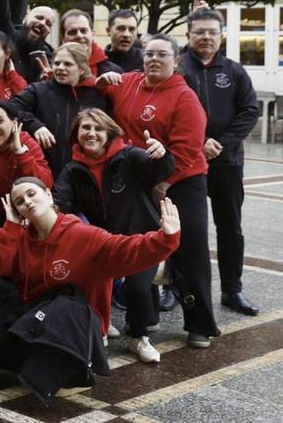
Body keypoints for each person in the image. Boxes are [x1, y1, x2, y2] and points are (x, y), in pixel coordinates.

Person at [0, 178, 181, 403]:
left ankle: (74, 369)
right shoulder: (23, 237)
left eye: (31, 194)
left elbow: (125, 248)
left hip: (79, 319)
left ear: (48, 194)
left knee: (63, 303)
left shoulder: (83, 234)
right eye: (19, 201)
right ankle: (40, 361)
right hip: (38, 314)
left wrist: (165, 239)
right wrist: (11, 227)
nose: (27, 202)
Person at [96, 34, 219, 347]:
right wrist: (100, 80)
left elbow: (189, 148)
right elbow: (94, 84)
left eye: (162, 55)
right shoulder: (129, 82)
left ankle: (200, 323)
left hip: (182, 180)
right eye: (149, 54)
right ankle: (144, 316)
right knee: (141, 245)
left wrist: (165, 184)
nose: (153, 60)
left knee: (189, 247)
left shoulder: (184, 96)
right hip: (141, 178)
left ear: (176, 61)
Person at [53, 109, 175, 363]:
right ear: (77, 134)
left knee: (137, 286)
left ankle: (139, 338)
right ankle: (100, 324)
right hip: (103, 241)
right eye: (86, 128)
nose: (91, 133)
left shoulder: (128, 156)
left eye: (98, 129)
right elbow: (60, 201)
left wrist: (161, 154)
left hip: (141, 236)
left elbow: (159, 170)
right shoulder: (72, 169)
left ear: (109, 133)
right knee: (88, 279)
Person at [178, 7, 260, 316]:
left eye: (212, 32)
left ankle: (232, 290)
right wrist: (198, 143)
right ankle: (177, 287)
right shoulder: (178, 69)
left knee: (230, 227)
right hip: (186, 162)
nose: (206, 37)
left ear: (221, 36)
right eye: (199, 31)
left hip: (226, 163)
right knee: (183, 228)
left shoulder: (235, 71)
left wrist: (220, 145)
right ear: (188, 35)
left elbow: (249, 111)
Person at [5, 43, 107, 178]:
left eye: (67, 64)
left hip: (81, 172)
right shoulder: (39, 90)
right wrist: (35, 125)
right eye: (57, 63)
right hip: (44, 169)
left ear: (82, 69)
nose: (60, 68)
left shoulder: (94, 97)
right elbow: (10, 107)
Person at [60, 9, 122, 78]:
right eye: (72, 32)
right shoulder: (53, 73)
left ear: (93, 34)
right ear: (63, 38)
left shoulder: (114, 72)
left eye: (84, 31)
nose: (79, 36)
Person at [9, 5, 58, 84]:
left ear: (48, 32)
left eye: (48, 24)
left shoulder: (47, 58)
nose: (42, 23)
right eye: (39, 17)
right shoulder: (6, 38)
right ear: (25, 19)